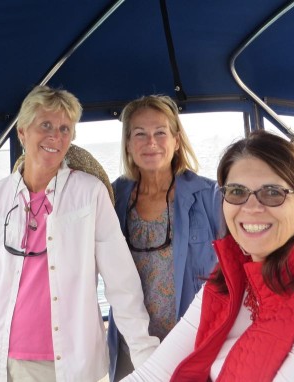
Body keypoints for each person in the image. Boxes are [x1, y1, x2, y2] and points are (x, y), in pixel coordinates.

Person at [123, 130, 294, 381]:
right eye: (236, 192)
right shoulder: (226, 284)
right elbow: (152, 376)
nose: (251, 207)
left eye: (272, 193)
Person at [0, 85, 159, 382]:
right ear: (23, 132)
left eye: (65, 128)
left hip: (74, 364)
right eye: (45, 125)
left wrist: (146, 358)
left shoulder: (89, 194)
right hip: (6, 363)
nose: (55, 136)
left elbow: (122, 283)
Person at [107, 95, 221, 381]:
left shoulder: (210, 196)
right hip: (132, 345)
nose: (151, 142)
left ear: (176, 140)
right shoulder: (112, 197)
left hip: (192, 344)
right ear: (128, 144)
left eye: (160, 132)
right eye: (140, 134)